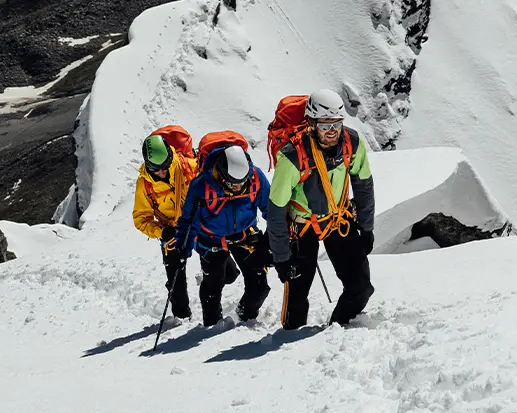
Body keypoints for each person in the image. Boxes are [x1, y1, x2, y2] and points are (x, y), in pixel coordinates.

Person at [265, 89, 376, 329]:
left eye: (336, 124)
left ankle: (335, 329)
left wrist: (366, 227)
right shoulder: (292, 156)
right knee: (297, 298)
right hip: (302, 229)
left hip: (337, 221)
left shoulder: (352, 143)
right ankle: (288, 344)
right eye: (325, 125)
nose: (332, 131)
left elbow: (363, 185)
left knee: (361, 288)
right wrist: (281, 256)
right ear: (312, 123)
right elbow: (276, 208)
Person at [169, 133, 272, 325]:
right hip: (211, 240)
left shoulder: (256, 177)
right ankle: (211, 324)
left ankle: (245, 317)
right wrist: (183, 247)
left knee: (259, 285)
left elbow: (272, 210)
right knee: (213, 286)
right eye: (233, 183)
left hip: (245, 236)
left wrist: (273, 241)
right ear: (222, 174)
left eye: (242, 182)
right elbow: (188, 220)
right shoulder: (201, 185)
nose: (238, 187)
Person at [132, 125, 199, 319]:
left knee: (228, 272)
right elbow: (141, 219)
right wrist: (162, 233)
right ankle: (181, 318)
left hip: (198, 225)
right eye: (155, 169)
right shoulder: (144, 184)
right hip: (171, 232)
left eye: (165, 165)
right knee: (176, 283)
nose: (161, 172)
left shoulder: (188, 167)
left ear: (171, 155)